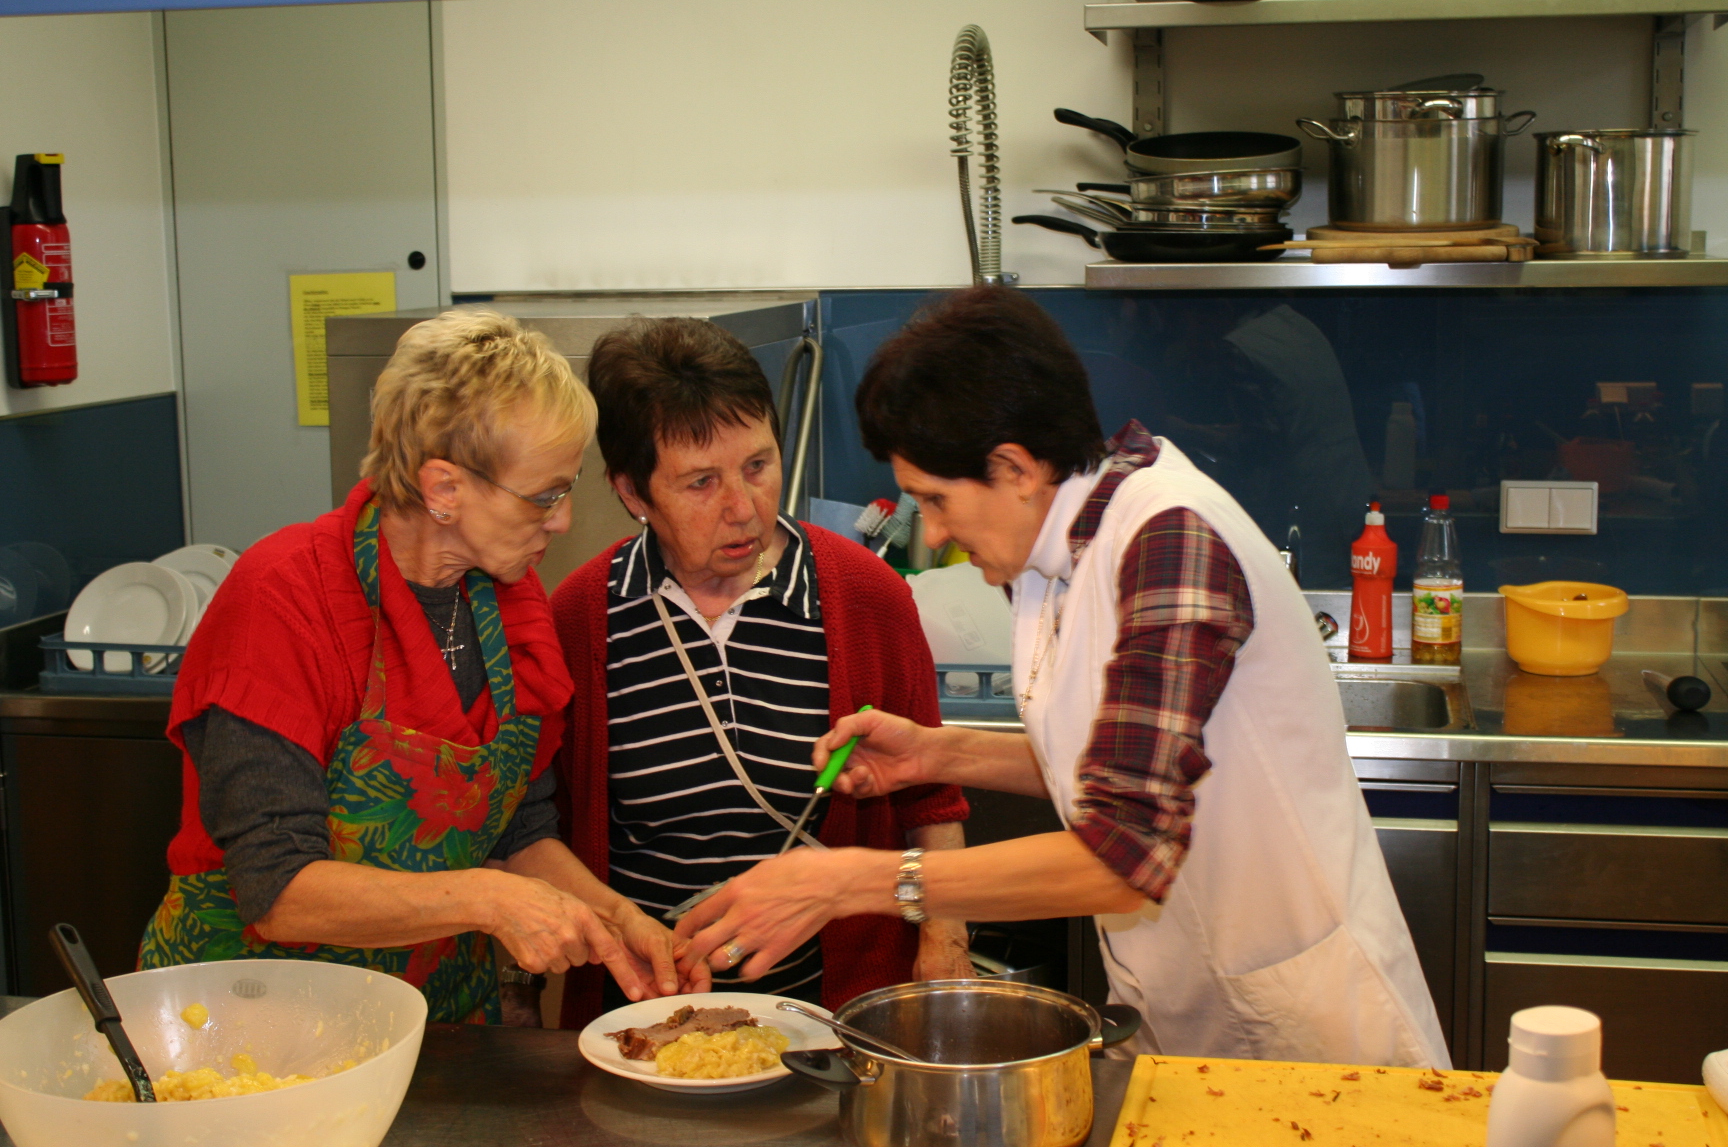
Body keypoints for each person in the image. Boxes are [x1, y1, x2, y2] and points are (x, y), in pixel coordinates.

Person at [672, 287, 1449, 1067]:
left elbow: (1121, 858)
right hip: (1181, 1015)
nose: (932, 531)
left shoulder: (1171, 543)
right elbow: (1113, 765)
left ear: (1014, 467)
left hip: (1307, 1033)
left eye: (936, 500)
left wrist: (851, 883)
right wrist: (938, 754)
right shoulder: (1051, 552)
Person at [140, 310, 695, 1024]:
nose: (561, 521)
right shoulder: (283, 601)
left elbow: (519, 830)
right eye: (543, 497)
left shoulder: (509, 603)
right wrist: (488, 900)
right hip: (253, 1027)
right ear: (442, 490)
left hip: (436, 1021)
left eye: (567, 490)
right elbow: (277, 892)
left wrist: (619, 921)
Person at [550, 317, 971, 1028]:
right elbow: (548, 830)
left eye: (758, 466)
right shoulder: (582, 617)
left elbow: (932, 803)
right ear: (633, 493)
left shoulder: (866, 598)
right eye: (700, 483)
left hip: (838, 1011)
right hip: (645, 1015)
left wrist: (945, 943)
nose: (743, 509)